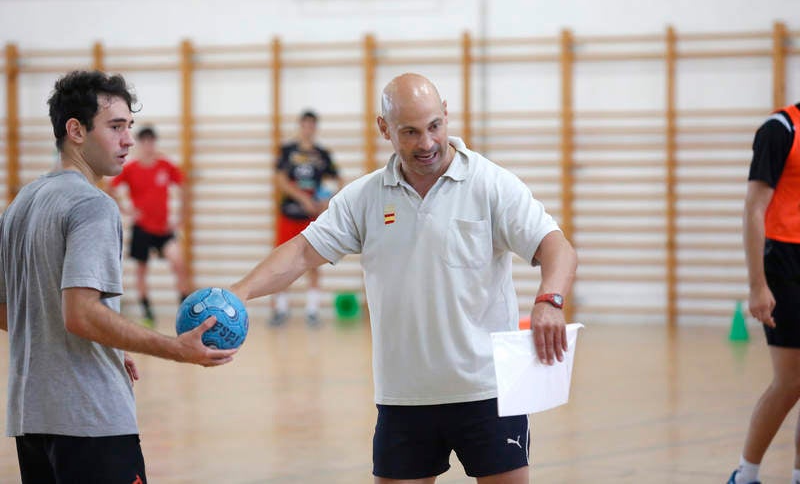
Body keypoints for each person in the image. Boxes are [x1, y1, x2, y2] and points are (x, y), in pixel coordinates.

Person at [230, 73, 577, 483]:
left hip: (488, 391)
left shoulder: (490, 184)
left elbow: (557, 247)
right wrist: (238, 293)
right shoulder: (365, 197)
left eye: (434, 126)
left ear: (446, 114)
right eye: (410, 132)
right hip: (404, 397)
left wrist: (550, 300)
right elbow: (301, 253)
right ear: (384, 128)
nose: (427, 143)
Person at [0, 70, 237, 484]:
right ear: (76, 130)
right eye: (115, 127)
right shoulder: (92, 205)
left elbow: (11, 311)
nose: (128, 140)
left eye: (129, 126)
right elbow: (81, 314)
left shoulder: (21, 204)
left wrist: (105, 342)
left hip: (31, 421)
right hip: (91, 421)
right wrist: (176, 349)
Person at [729, 101, 800, 484]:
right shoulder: (780, 129)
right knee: (790, 381)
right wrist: (758, 285)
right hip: (783, 262)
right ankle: (746, 475)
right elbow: (754, 207)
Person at [109, 125, 190, 326]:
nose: (148, 146)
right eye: (144, 142)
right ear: (139, 144)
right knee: (141, 271)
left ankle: (185, 310)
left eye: (151, 141)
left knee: (178, 262)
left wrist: (180, 217)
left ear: (154, 143)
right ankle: (147, 313)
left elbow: (183, 186)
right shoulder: (131, 168)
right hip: (142, 228)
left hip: (163, 229)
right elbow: (111, 187)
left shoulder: (165, 165)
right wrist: (126, 211)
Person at [270, 109, 343, 327]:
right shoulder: (287, 151)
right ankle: (281, 309)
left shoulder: (322, 154)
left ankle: (312, 310)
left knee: (313, 262)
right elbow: (280, 180)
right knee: (282, 262)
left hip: (312, 217)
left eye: (312, 125)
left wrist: (326, 201)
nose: (308, 129)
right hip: (289, 213)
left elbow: (338, 181)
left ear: (315, 128)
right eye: (305, 125)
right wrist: (302, 198)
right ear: (300, 126)